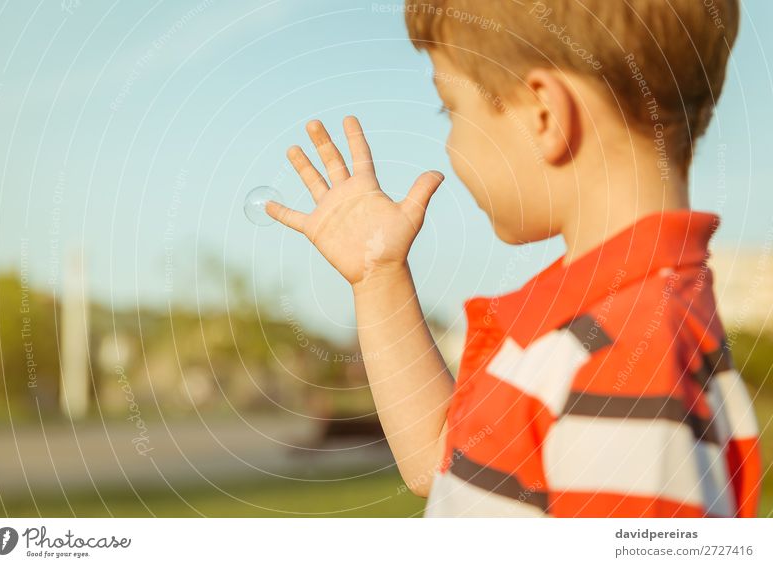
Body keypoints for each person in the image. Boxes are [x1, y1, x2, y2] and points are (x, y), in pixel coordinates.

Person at [266, 0, 761, 517]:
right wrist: (378, 277)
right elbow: (442, 461)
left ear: (543, 114)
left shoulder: (625, 359)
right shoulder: (598, 328)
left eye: (451, 109)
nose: (451, 144)